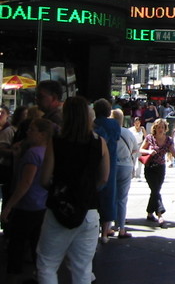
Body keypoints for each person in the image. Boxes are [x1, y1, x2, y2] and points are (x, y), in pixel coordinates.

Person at [36, 96, 109, 284]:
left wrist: (58, 190)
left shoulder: (56, 142)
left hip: (59, 208)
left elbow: (44, 179)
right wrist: (87, 189)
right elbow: (103, 178)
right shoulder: (99, 142)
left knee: (47, 264)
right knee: (82, 268)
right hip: (89, 209)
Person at [1, 118, 52, 284]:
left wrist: (9, 206)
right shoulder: (49, 152)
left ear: (42, 134)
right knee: (38, 247)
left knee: (17, 245)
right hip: (43, 204)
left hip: (28, 205)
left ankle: (13, 278)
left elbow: (26, 182)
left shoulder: (33, 153)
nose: (28, 132)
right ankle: (40, 276)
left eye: (32, 130)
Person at [139, 118, 175, 227]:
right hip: (150, 168)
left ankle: (150, 213)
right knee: (155, 190)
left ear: (165, 128)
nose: (160, 129)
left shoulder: (168, 140)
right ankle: (160, 214)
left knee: (156, 190)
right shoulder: (149, 138)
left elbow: (174, 152)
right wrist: (149, 151)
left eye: (162, 127)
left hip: (160, 168)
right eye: (159, 127)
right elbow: (141, 150)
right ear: (155, 128)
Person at [93, 98, 121, 244]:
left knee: (94, 196)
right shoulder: (114, 124)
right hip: (110, 162)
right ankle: (105, 232)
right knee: (109, 197)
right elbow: (116, 139)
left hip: (95, 163)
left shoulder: (94, 124)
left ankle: (94, 230)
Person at [113, 108, 137, 239]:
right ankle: (121, 228)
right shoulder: (128, 133)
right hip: (126, 166)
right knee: (122, 198)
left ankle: (107, 227)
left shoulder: (109, 131)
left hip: (112, 165)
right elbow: (135, 150)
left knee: (110, 196)